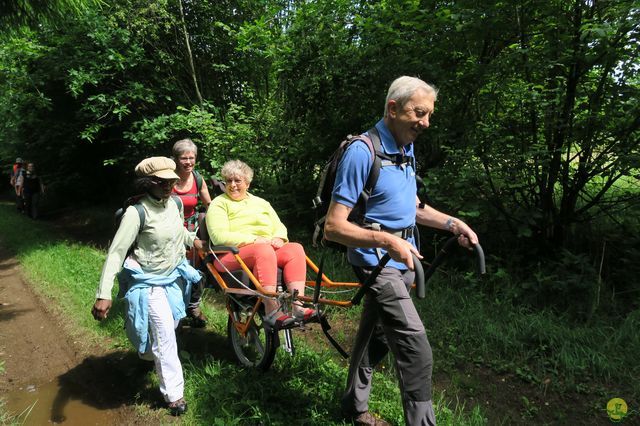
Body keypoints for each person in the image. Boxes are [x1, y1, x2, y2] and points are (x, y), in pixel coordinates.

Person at [324, 76, 479, 426]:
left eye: (429, 115)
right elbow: (334, 226)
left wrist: (454, 224)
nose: (426, 123)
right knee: (416, 346)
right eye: (419, 113)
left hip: (405, 257)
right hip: (376, 261)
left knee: (375, 334)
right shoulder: (362, 152)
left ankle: (352, 405)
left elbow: (413, 208)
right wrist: (387, 241)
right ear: (392, 109)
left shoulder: (405, 146)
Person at [91, 157, 205, 416]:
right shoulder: (136, 213)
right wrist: (104, 294)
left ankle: (151, 359)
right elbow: (116, 254)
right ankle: (174, 396)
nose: (168, 186)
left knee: (168, 329)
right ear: (147, 183)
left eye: (171, 181)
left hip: (173, 279)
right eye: (161, 182)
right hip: (148, 282)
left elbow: (178, 232)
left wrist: (193, 241)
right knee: (164, 335)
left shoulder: (175, 204)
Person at [206, 159, 316, 328]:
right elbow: (219, 236)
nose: (233, 185)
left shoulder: (261, 203)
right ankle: (272, 310)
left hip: (264, 249)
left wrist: (279, 237)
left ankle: (298, 306)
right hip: (230, 254)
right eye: (229, 181)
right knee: (263, 251)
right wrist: (254, 240)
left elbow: (279, 226)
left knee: (295, 249)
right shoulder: (219, 204)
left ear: (248, 183)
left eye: (238, 181)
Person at [171, 138, 212, 327]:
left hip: (193, 227)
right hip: (170, 228)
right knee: (175, 268)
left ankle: (193, 306)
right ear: (176, 159)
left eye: (192, 157)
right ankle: (174, 310)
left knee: (199, 266)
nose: (188, 162)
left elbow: (209, 206)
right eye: (184, 158)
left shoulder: (197, 179)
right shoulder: (168, 179)